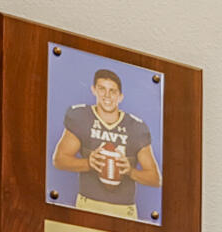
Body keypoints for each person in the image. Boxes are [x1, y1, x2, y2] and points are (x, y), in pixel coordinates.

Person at [53, 67, 161, 219]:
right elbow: (59, 160)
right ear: (93, 90)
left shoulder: (135, 127)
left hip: (124, 209)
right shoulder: (82, 117)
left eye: (113, 91)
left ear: (121, 96)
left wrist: (129, 171)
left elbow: (155, 178)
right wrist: (89, 163)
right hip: (88, 203)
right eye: (102, 89)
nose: (107, 95)